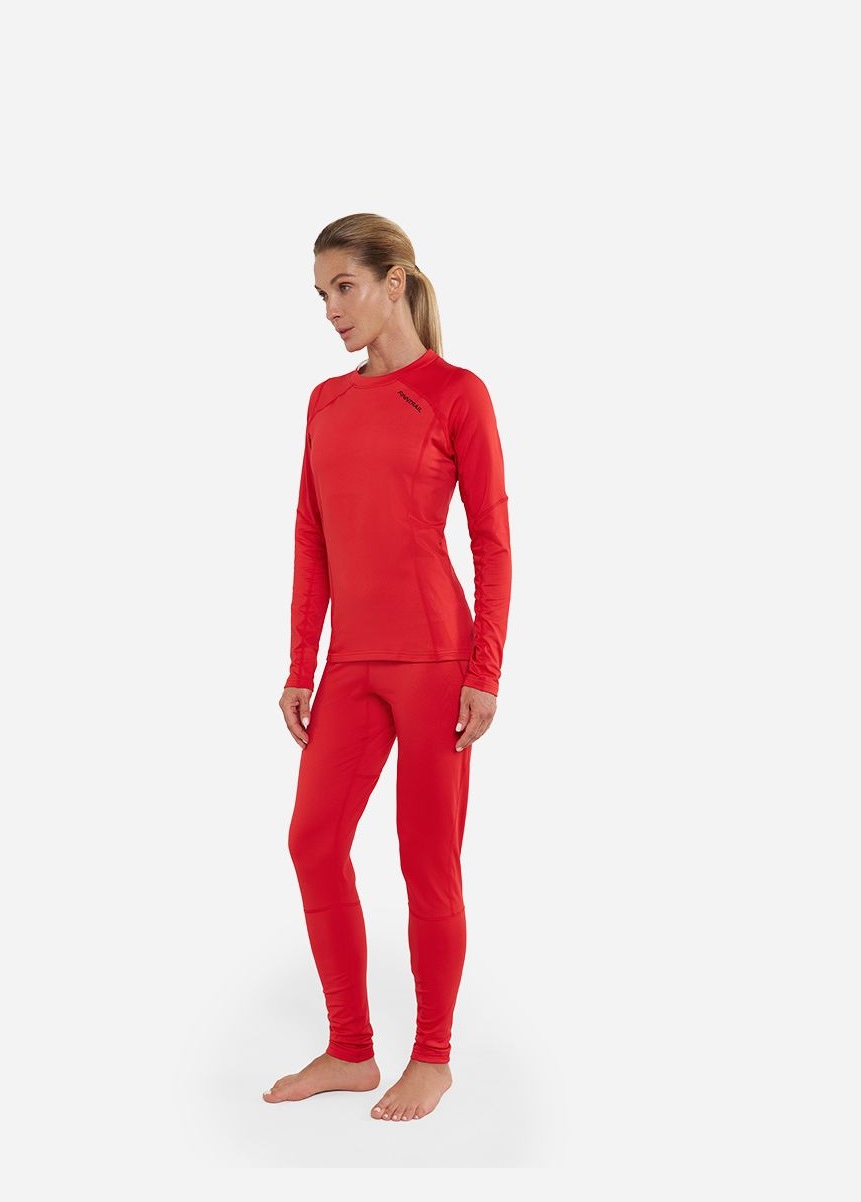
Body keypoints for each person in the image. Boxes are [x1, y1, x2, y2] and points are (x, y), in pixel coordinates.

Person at [262, 213, 512, 1122]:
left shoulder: (456, 393)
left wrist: (484, 668)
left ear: (394, 282)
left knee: (426, 862)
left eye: (345, 287)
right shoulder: (325, 402)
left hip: (437, 661)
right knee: (313, 842)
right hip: (351, 663)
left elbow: (491, 539)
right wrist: (301, 661)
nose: (332, 309)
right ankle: (350, 1049)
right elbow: (311, 536)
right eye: (321, 294)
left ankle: (433, 1059)